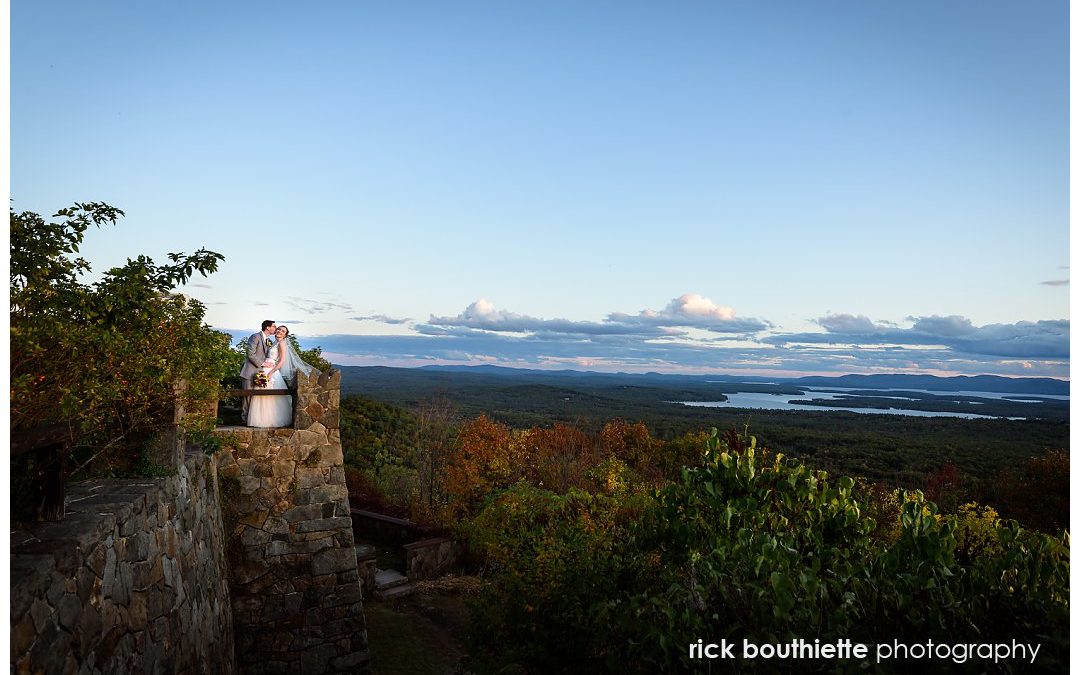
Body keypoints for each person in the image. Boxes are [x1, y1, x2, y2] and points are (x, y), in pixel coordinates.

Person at [246, 325, 318, 428]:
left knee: (270, 396)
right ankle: (261, 419)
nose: (280, 331)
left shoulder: (282, 344)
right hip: (264, 368)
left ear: (285, 335)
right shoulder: (273, 342)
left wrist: (271, 373)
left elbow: (282, 361)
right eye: (279, 329)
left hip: (271, 371)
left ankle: (270, 420)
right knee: (261, 394)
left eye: (283, 331)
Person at [239, 320, 276, 423]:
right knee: (247, 397)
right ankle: (244, 421)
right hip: (250, 372)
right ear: (268, 327)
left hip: (261, 373)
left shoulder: (268, 341)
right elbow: (250, 354)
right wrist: (263, 364)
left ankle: (254, 420)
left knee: (257, 398)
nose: (275, 328)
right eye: (274, 326)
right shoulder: (255, 337)